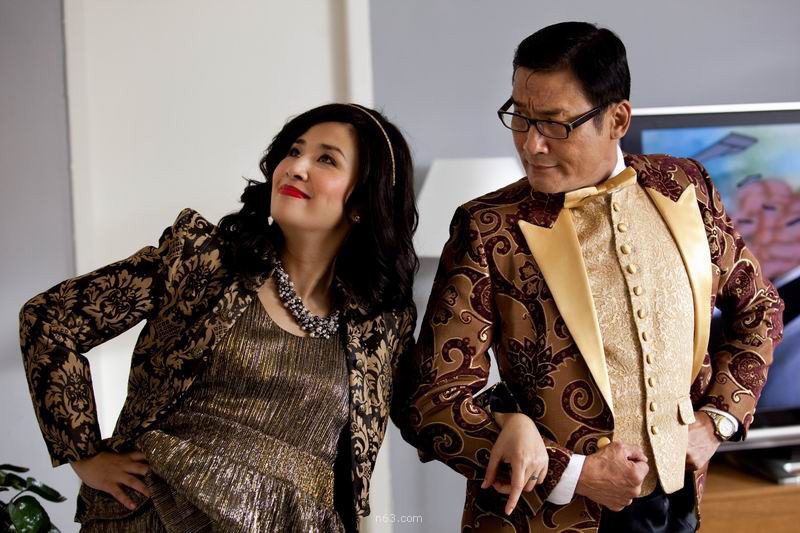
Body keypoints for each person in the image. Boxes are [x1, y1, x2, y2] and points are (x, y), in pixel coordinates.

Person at [393, 22, 784, 532]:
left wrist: (718, 421)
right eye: (519, 117)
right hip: (545, 518)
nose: (531, 144)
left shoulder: (683, 185)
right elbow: (429, 402)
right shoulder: (487, 227)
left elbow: (759, 308)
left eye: (555, 124)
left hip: (680, 510)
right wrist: (571, 473)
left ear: (617, 118)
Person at [20, 103, 418, 532]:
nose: (296, 167)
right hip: (156, 514)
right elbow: (50, 319)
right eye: (294, 151)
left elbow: (428, 412)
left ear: (363, 202)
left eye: (326, 159)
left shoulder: (380, 326)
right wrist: (84, 454)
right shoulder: (202, 263)